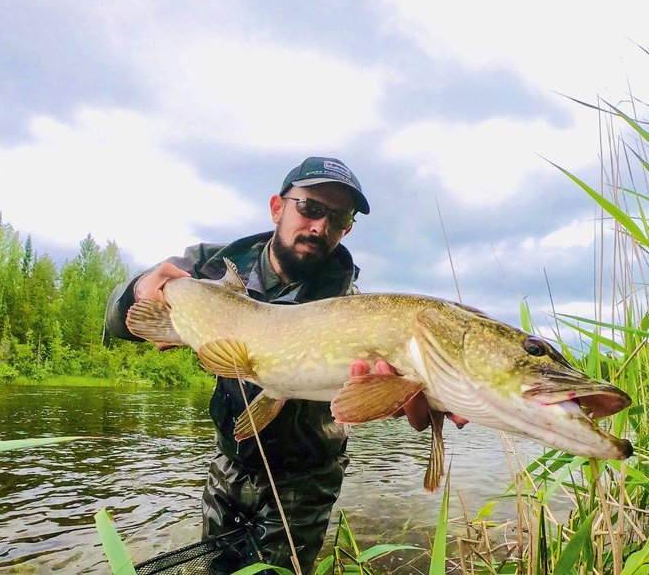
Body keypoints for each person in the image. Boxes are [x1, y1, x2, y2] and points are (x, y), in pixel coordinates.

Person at [105, 157, 438, 573]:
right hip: (230, 462)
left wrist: (404, 396)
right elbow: (119, 320)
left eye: (338, 218)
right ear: (278, 208)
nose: (321, 227)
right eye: (311, 208)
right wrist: (139, 288)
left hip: (306, 479)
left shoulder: (350, 306)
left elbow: (381, 400)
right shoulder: (213, 266)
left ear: (347, 229)